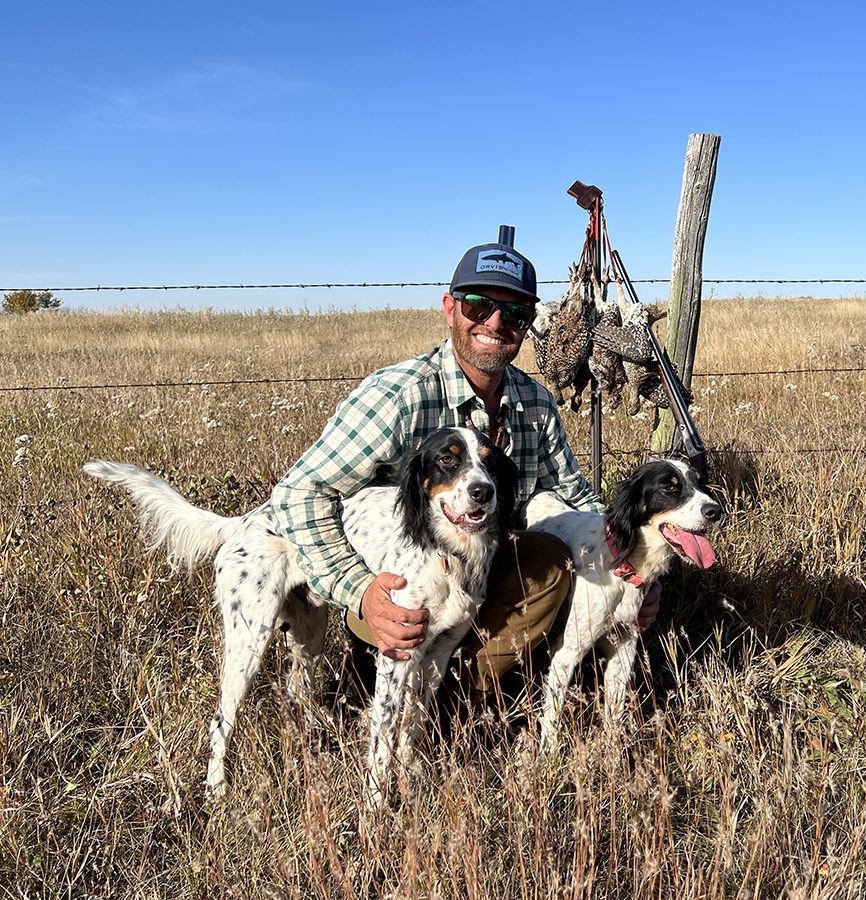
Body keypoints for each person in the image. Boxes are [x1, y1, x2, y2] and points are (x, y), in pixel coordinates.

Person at [270, 230, 660, 700]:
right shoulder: (400, 394)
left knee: (548, 561)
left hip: (477, 566)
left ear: (529, 324)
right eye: (478, 305)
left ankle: (454, 695)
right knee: (427, 593)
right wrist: (359, 590)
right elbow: (300, 493)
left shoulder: (534, 401)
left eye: (515, 313)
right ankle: (379, 675)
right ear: (450, 307)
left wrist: (632, 564)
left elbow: (576, 495)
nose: (496, 322)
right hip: (393, 577)